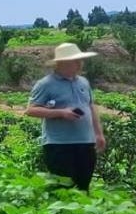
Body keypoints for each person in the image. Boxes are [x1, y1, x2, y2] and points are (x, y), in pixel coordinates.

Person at [25, 42, 106, 190]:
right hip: (59, 145)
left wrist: (99, 134)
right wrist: (61, 113)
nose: (79, 64)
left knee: (83, 187)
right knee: (63, 189)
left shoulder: (83, 82)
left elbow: (91, 107)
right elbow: (31, 110)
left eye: (79, 60)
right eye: (75, 61)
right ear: (61, 63)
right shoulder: (45, 84)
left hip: (86, 143)